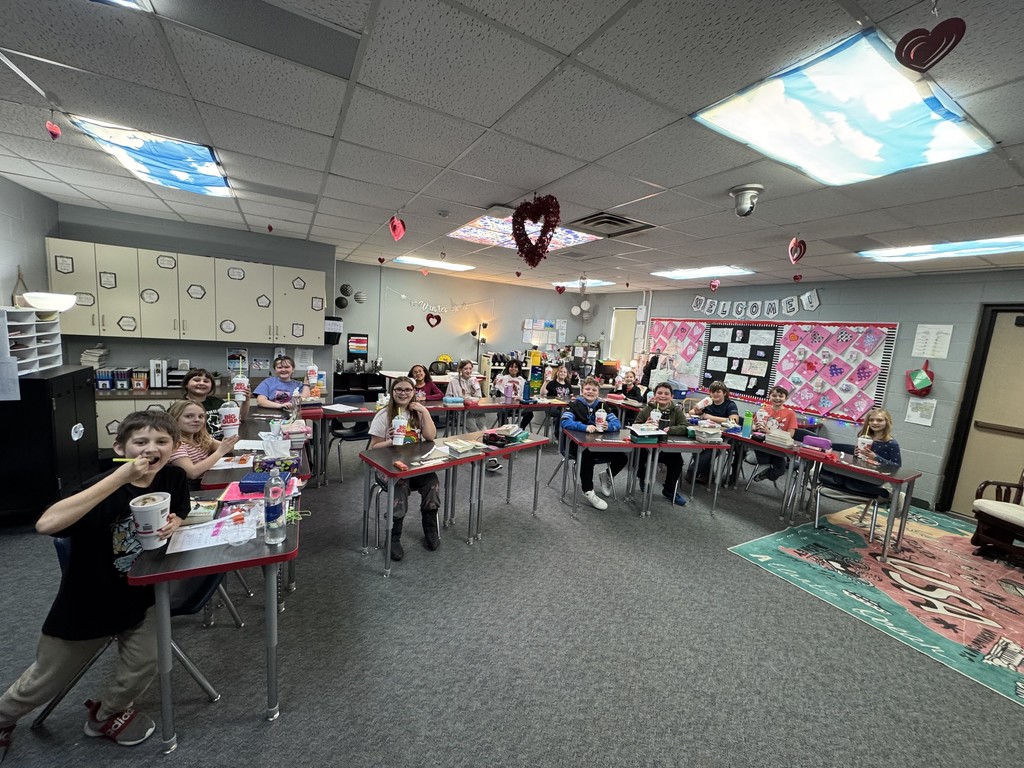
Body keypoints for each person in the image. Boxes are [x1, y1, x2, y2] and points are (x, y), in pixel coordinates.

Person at [0, 411, 187, 759]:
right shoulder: (102, 487)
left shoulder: (172, 478)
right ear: (120, 447)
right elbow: (46, 524)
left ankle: (106, 714)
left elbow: (181, 510)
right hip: (88, 602)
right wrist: (118, 478)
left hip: (142, 595)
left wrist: (176, 520)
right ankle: (3, 717)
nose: (152, 448)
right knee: (44, 680)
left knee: (148, 660)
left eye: (162, 441)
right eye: (141, 441)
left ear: (174, 447)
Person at [368, 377, 441, 560]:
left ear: (413, 392)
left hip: (413, 467)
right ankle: (393, 537)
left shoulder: (416, 412)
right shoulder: (384, 414)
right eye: (399, 389)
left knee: (432, 482)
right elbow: (372, 449)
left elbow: (431, 437)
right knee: (399, 485)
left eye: (408, 390)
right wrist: (390, 441)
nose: (403, 393)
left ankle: (430, 528)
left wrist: (424, 411)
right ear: (393, 392)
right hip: (387, 468)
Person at [560, 376, 628, 510]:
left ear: (598, 392)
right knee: (587, 456)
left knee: (622, 457)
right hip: (577, 445)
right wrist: (584, 427)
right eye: (587, 389)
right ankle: (588, 491)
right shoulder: (574, 405)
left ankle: (606, 475)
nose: (590, 392)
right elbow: (565, 422)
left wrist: (608, 427)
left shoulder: (602, 406)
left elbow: (617, 423)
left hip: (598, 443)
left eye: (594, 390)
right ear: (582, 390)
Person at [167, 400, 240, 491]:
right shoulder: (175, 444)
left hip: (208, 481)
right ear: (174, 419)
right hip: (191, 490)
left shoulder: (200, 438)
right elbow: (192, 473)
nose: (197, 420)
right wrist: (220, 452)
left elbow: (228, 449)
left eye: (201, 416)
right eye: (189, 416)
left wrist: (230, 432)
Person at [635, 382, 688, 505]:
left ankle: (669, 490)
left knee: (677, 462)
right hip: (649, 446)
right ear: (654, 395)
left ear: (671, 396)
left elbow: (685, 426)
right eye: (659, 393)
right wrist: (644, 425)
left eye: (666, 393)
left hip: (667, 447)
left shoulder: (676, 410)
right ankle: (642, 478)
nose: (662, 396)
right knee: (640, 456)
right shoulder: (648, 409)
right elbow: (635, 426)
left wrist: (670, 429)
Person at [446, 360, 502, 472]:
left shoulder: (473, 380)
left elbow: (479, 396)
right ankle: (485, 459)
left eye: (470, 369)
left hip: (475, 408)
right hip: (462, 411)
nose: (468, 371)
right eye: (465, 369)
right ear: (460, 370)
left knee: (484, 427)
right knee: (475, 430)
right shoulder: (454, 381)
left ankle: (488, 454)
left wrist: (474, 387)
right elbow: (448, 397)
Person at [687, 381, 739, 482]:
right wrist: (698, 410)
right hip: (705, 433)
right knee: (696, 444)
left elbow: (734, 420)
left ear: (724, 393)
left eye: (718, 392)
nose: (715, 394)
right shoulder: (708, 402)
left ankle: (692, 471)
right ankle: (707, 474)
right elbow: (691, 412)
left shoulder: (730, 404)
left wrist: (711, 417)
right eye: (713, 392)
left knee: (711, 449)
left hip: (721, 436)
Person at [181, 367, 249, 438]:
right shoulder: (181, 407)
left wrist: (246, 401)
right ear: (186, 384)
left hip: (224, 442)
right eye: (197, 380)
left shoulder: (217, 402)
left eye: (206, 381)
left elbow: (240, 418)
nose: (201, 383)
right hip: (201, 446)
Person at [751, 385, 798, 484]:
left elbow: (790, 434)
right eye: (774, 395)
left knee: (780, 470)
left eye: (781, 396)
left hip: (778, 447)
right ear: (769, 396)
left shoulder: (790, 413)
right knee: (763, 460)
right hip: (762, 444)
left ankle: (766, 474)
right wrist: (756, 427)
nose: (777, 398)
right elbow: (753, 426)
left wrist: (770, 432)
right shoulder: (764, 409)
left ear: (786, 398)